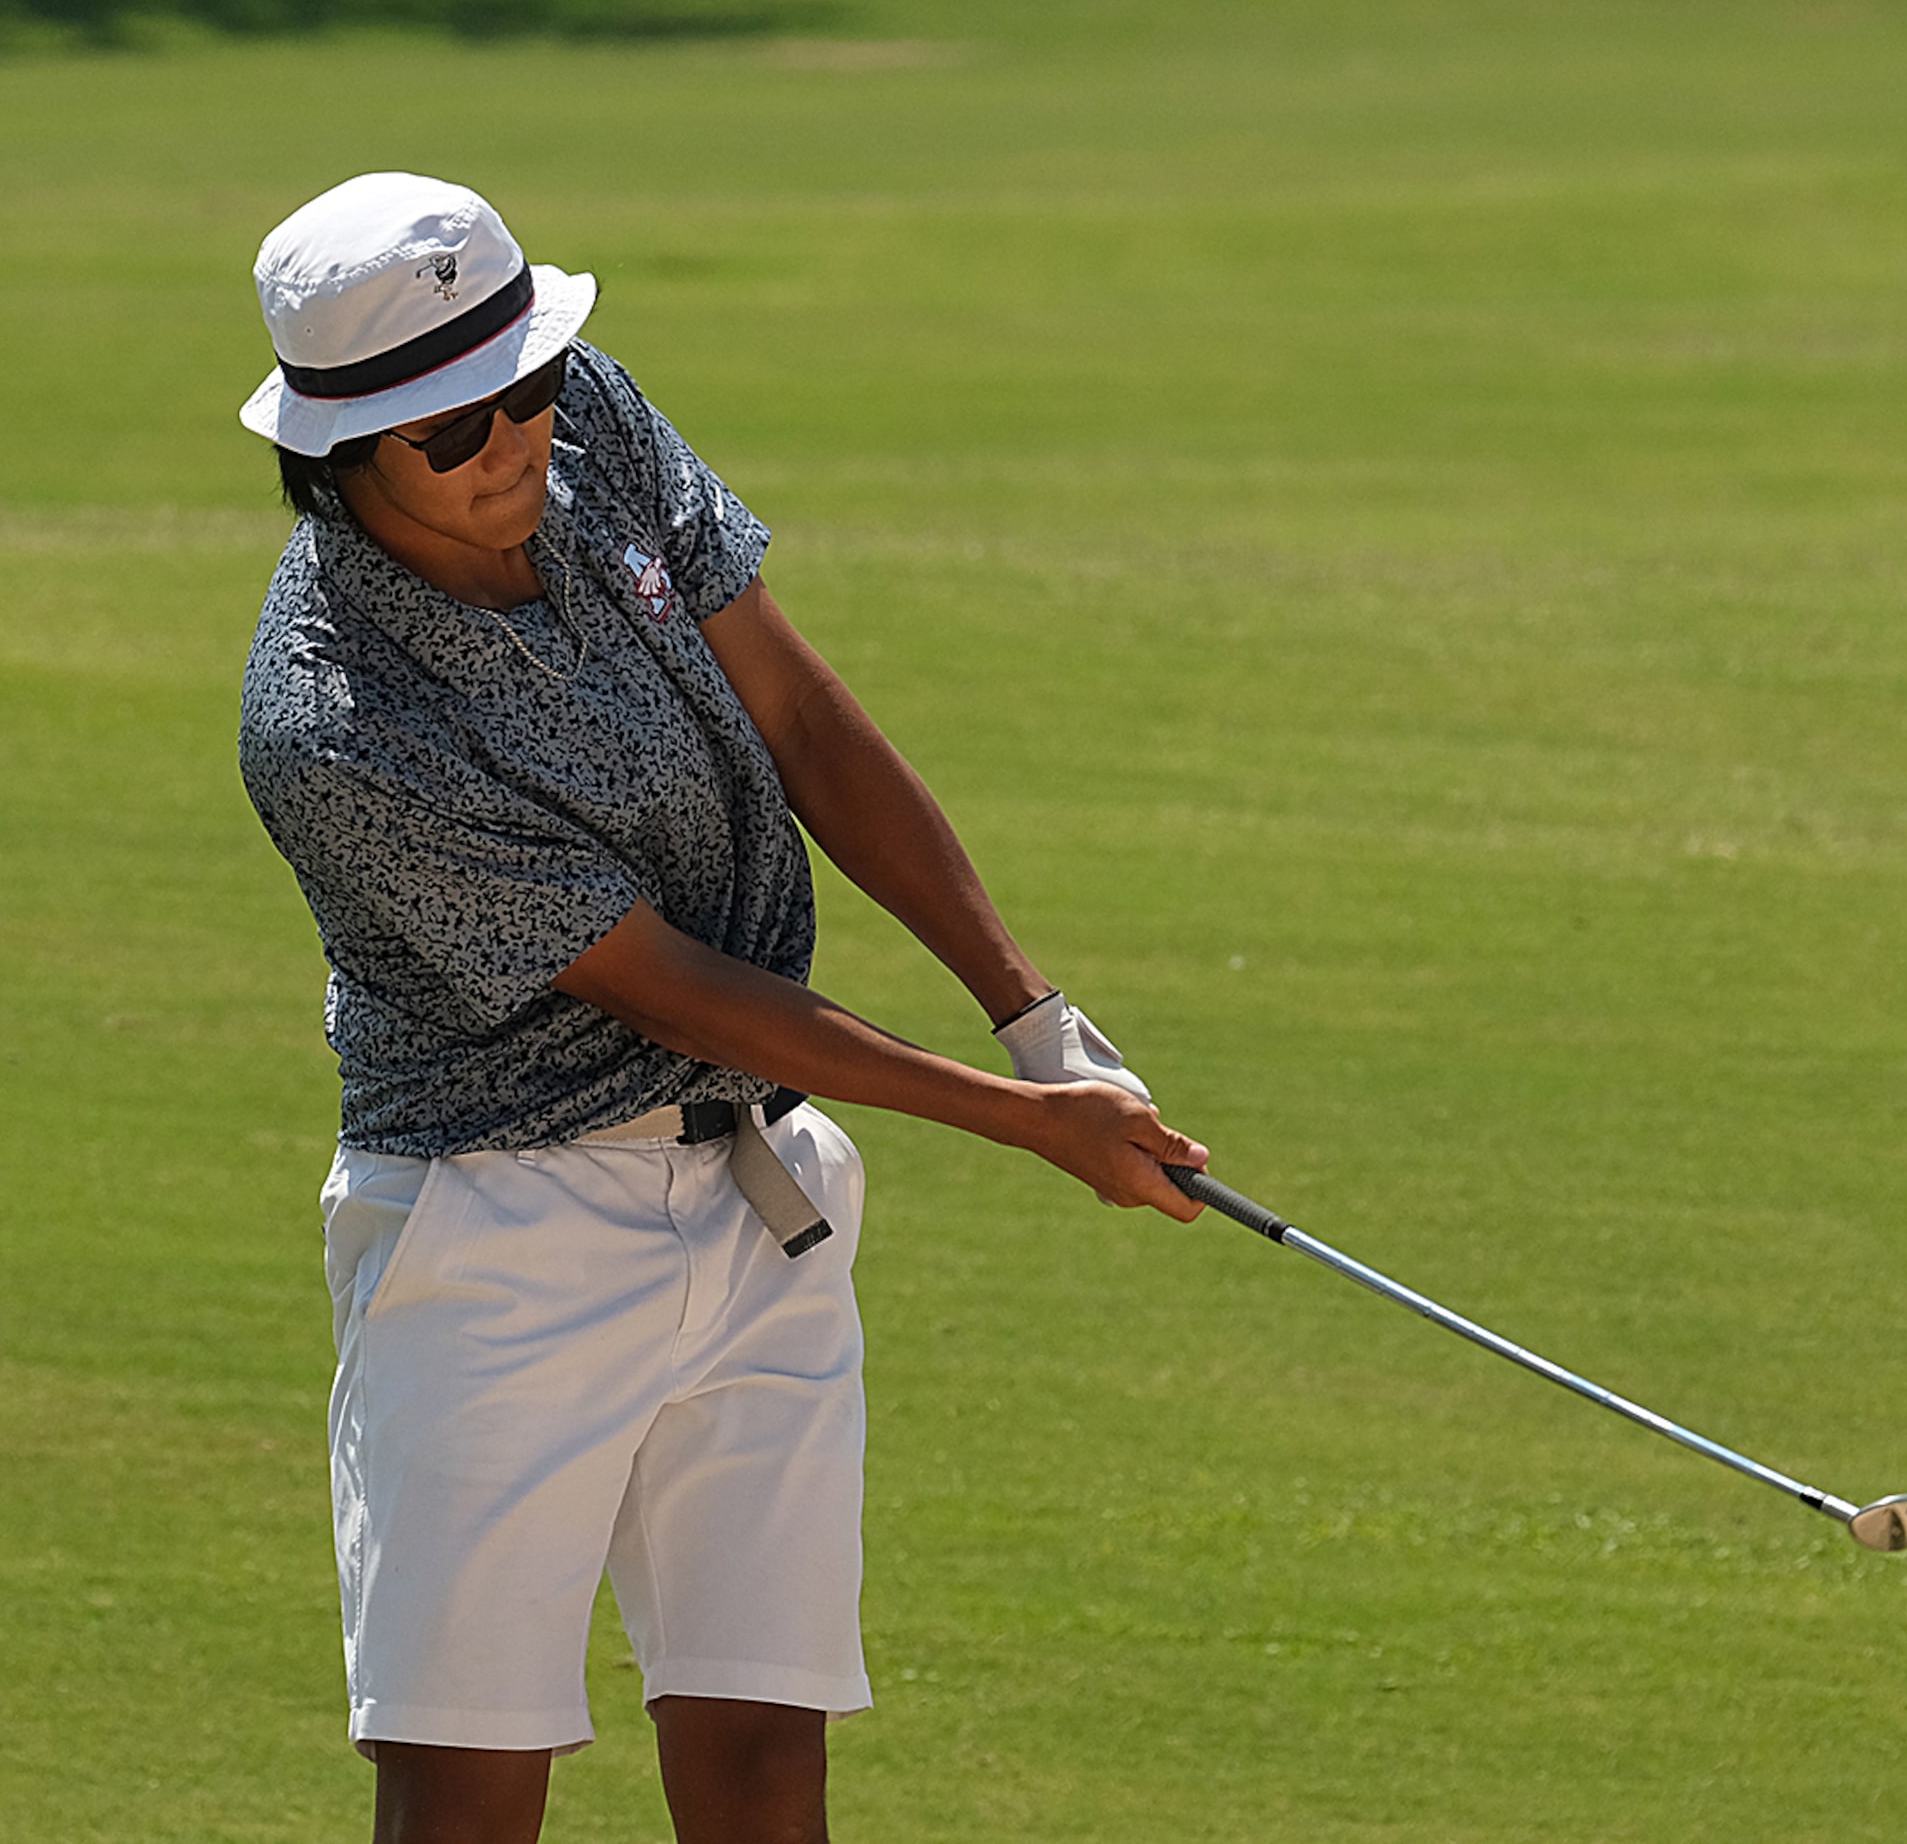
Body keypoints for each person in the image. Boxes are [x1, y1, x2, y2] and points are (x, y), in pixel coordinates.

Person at [234, 171, 1206, 1844]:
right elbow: (684, 990)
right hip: (500, 1243)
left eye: (526, 386)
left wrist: (1033, 1018)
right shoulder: (335, 722)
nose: (519, 441)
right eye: (455, 430)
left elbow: (803, 718)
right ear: (341, 461)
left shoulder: (587, 420)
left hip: (760, 1203)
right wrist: (1027, 1127)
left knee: (766, 1762)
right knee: (472, 1788)